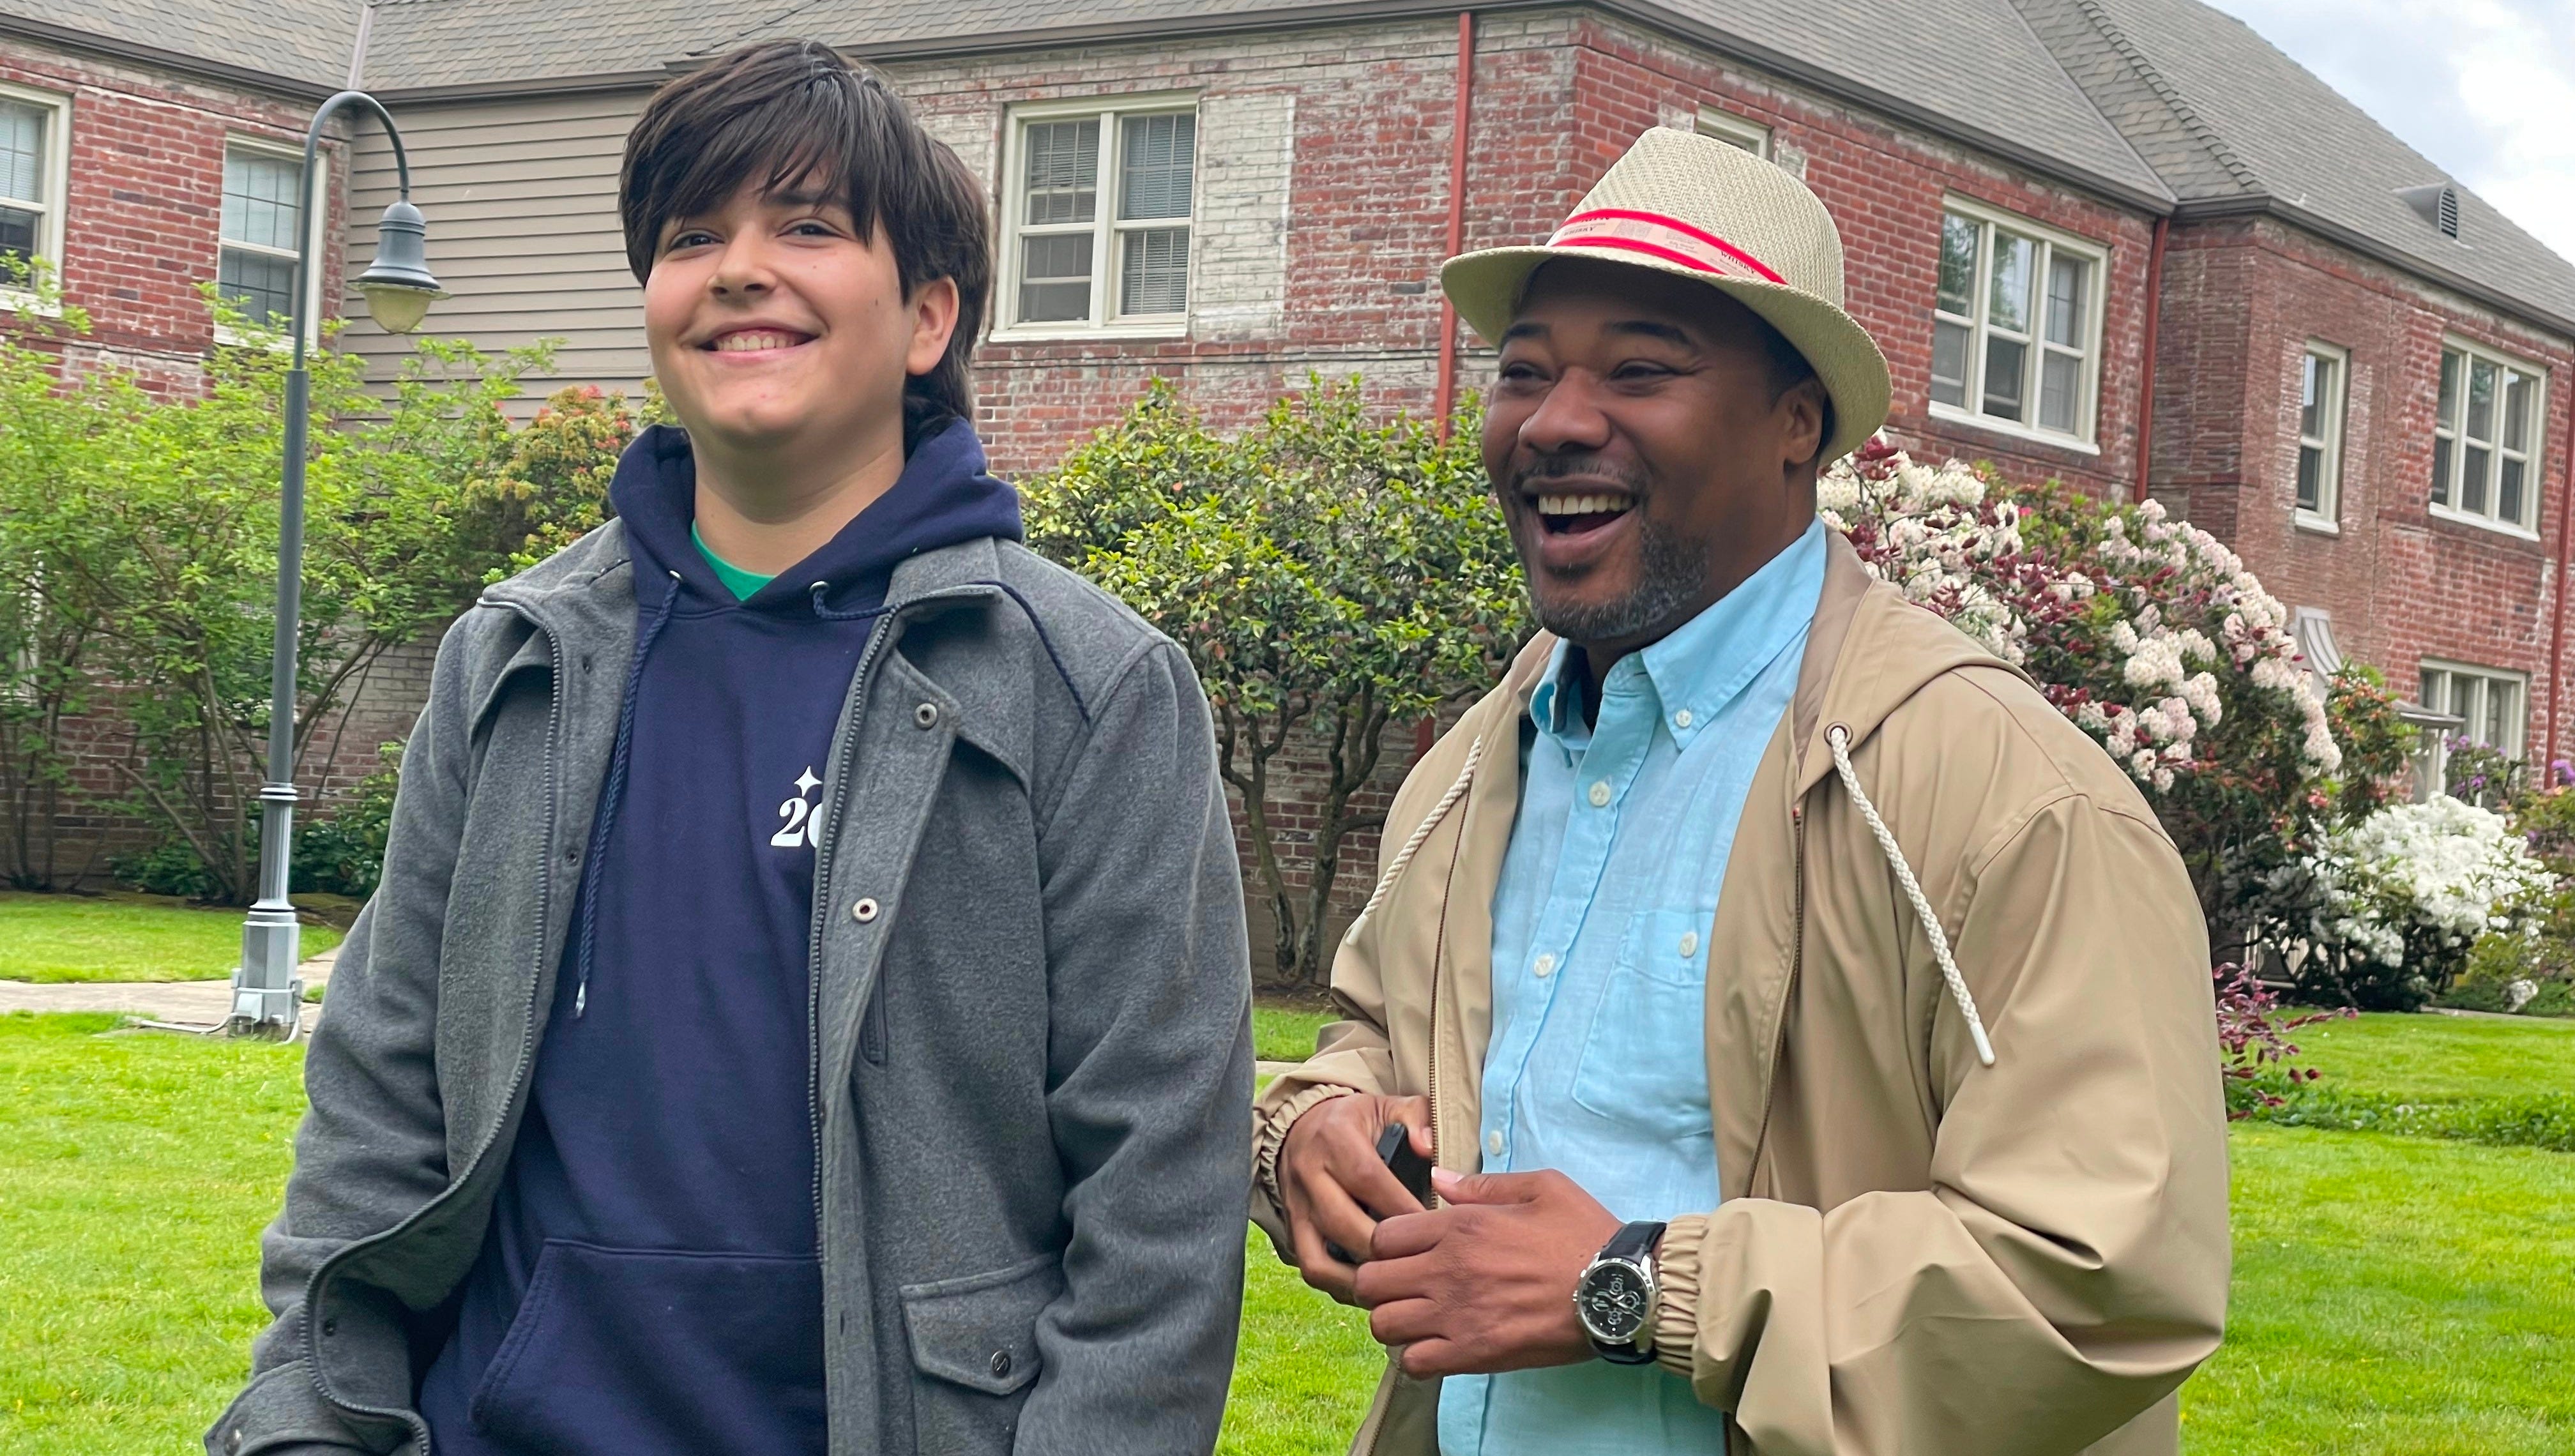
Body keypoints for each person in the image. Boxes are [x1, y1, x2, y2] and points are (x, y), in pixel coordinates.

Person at [209, 40, 1252, 1456]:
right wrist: (307, 1418)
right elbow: (379, 1099)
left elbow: (1158, 1213)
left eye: (808, 228)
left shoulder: (1087, 689)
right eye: (693, 237)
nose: (739, 270)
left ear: (929, 317)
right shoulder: (515, 660)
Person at [1253, 126, 2228, 1456]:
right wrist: (1319, 1124)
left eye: (1641, 370)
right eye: (1523, 372)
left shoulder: (2007, 796)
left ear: (1796, 425)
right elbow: (1388, 1043)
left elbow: (2102, 1278)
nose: (1555, 421)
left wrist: (1637, 1286)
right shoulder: (1482, 760)